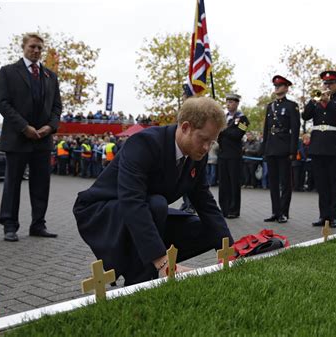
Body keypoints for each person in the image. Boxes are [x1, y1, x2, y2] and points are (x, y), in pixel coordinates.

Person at [73, 97, 234, 286]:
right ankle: (140, 281)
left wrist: (231, 250)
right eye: (204, 139)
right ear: (185, 127)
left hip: (147, 212)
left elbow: (205, 203)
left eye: (212, 142)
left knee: (208, 229)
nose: (207, 148)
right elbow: (132, 201)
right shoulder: (144, 143)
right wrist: (162, 261)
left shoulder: (196, 155)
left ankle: (147, 265)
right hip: (102, 212)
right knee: (157, 204)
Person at [0, 32, 62, 242]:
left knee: (41, 184)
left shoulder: (50, 76)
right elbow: (3, 103)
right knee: (12, 184)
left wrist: (49, 128)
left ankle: (38, 225)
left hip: (42, 140)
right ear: (23, 47)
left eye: (39, 48)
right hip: (17, 138)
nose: (36, 51)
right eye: (32, 46)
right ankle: (9, 225)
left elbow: (57, 107)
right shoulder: (8, 72)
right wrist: (24, 127)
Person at [302, 70, 336, 228]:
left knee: (334, 183)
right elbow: (305, 116)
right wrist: (313, 100)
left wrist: (328, 102)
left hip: (335, 146)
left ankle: (334, 216)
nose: (327, 86)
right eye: (325, 83)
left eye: (330, 83)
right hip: (318, 146)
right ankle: (323, 216)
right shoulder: (316, 99)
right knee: (322, 184)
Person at [260, 76, 300, 223]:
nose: (277, 87)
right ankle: (275, 212)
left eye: (280, 85)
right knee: (273, 182)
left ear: (286, 87)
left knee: (285, 182)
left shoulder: (292, 106)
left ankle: (283, 212)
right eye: (275, 85)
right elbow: (266, 130)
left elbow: (295, 130)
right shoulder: (270, 106)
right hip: (271, 147)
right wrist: (264, 149)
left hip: (284, 148)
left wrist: (293, 151)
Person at [217, 93, 249, 219]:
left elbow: (238, 134)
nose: (228, 104)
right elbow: (218, 134)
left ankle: (234, 209)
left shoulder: (243, 119)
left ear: (236, 103)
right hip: (223, 153)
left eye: (231, 102)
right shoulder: (223, 118)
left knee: (234, 183)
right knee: (223, 183)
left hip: (234, 155)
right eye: (227, 102)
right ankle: (223, 208)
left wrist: (224, 130)